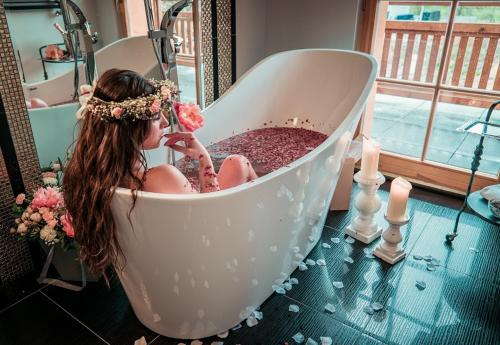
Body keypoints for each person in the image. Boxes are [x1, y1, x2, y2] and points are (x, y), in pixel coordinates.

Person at [63, 68, 257, 275]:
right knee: (239, 163)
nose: (165, 122)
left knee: (234, 163)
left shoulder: (92, 177)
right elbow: (210, 222)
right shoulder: (161, 177)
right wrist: (204, 161)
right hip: (203, 260)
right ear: (131, 127)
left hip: (156, 265)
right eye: (156, 117)